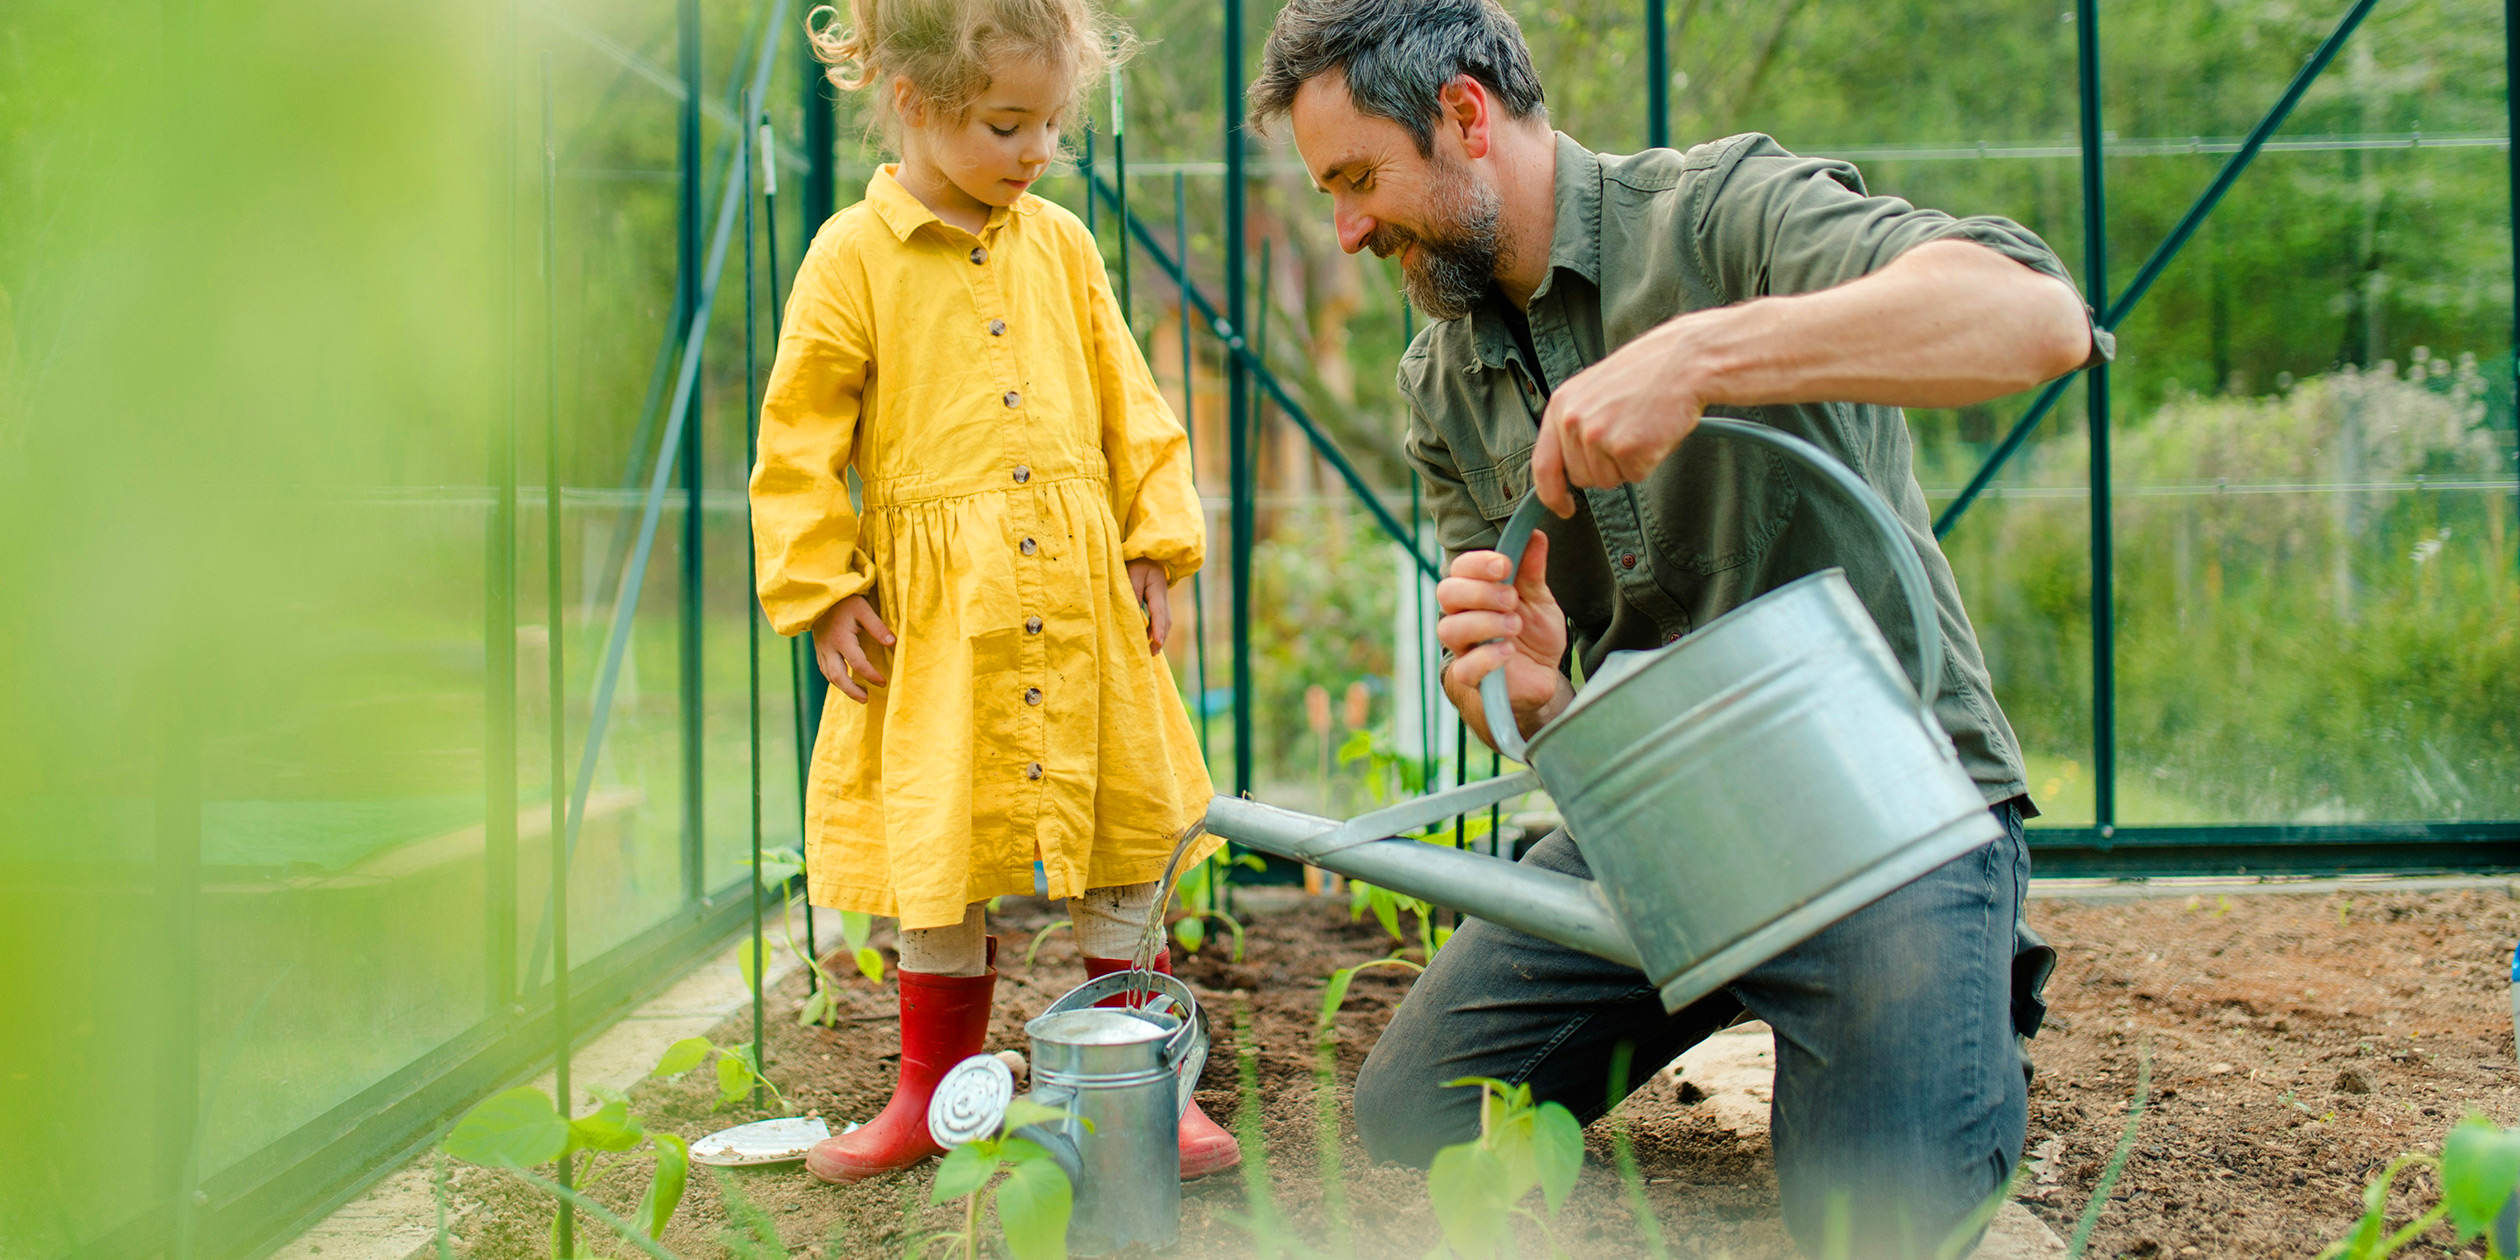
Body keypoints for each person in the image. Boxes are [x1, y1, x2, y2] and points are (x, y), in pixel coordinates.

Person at [1247, 1, 2101, 1253]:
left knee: (1886, 1220)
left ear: (1467, 116)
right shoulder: (1444, 379)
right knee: (1416, 1109)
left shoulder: (1723, 216)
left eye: (1360, 178)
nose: (1349, 228)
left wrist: (1705, 355)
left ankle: (1923, 1003)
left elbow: (2036, 318)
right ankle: (1781, 998)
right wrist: (1525, 691)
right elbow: (1524, 690)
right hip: (1662, 821)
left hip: (1886, 807)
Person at [751, 0, 1235, 1184]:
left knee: (1120, 833)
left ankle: (1143, 1089)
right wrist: (821, 589)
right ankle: (925, 1096)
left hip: (1078, 608)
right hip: (938, 624)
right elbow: (797, 440)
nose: (1036, 152)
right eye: (1008, 123)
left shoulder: (1062, 245)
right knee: (939, 839)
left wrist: (1152, 540)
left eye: (1053, 126)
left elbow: (1132, 402)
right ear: (913, 104)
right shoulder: (849, 258)